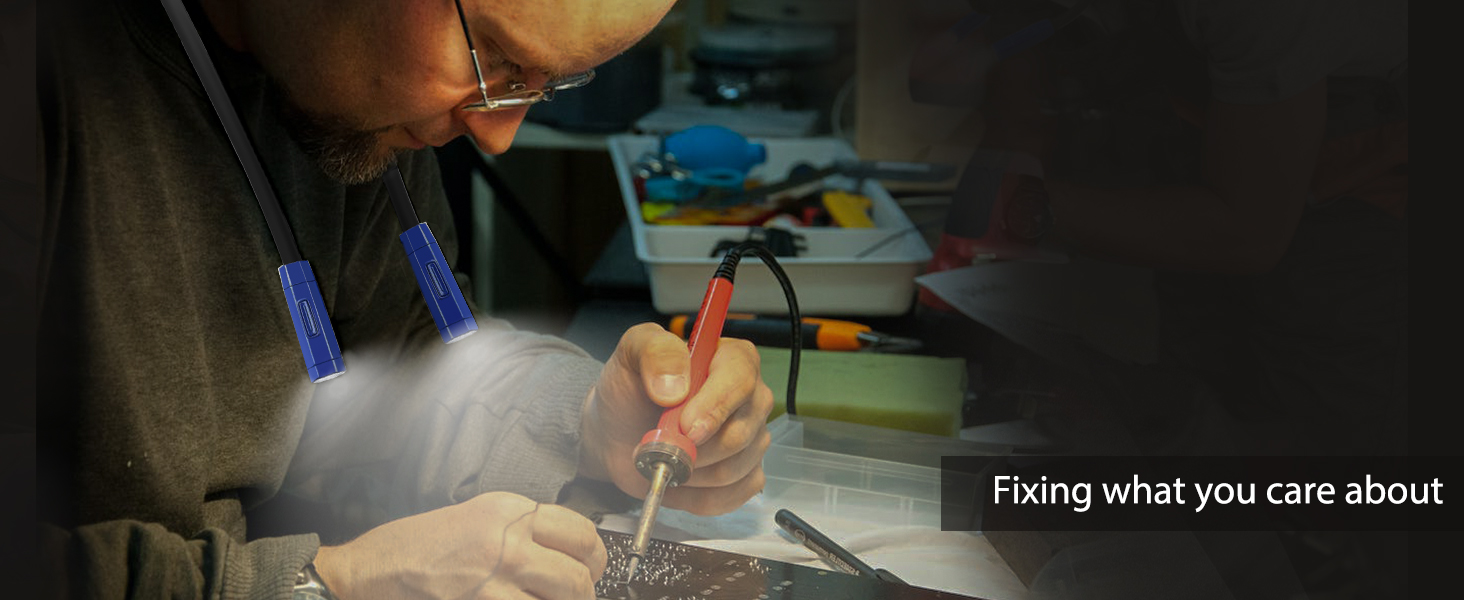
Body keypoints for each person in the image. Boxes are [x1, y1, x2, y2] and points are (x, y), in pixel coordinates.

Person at [36, 0, 775, 598]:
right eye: (495, 55)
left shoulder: (349, 99)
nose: (498, 135)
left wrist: (587, 421)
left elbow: (412, 354)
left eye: (549, 82)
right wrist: (328, 583)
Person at [940, 0, 1407, 456]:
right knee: (1189, 427)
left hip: (1348, 215)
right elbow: (1021, 89)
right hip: (1211, 158)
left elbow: (1247, 235)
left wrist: (1018, 207)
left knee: (1316, 471)